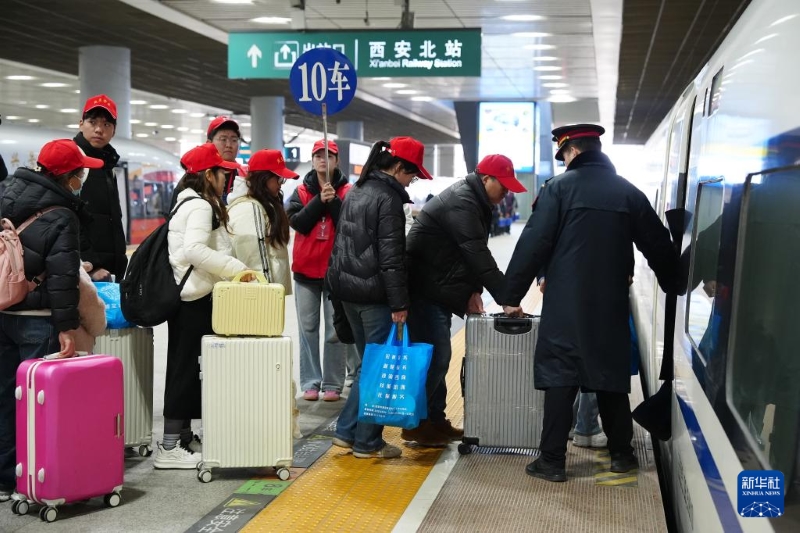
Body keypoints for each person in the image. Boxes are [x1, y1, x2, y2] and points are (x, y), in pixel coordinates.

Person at [501, 124, 681, 482]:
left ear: (572, 151)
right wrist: (674, 280)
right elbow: (658, 244)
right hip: (610, 304)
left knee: (559, 377)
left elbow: (534, 243)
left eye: (564, 155)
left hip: (566, 305)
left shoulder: (558, 190)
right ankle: (622, 455)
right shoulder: (627, 192)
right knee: (610, 376)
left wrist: (510, 296)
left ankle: (551, 461)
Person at [0, 139, 103, 501]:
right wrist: (65, 327)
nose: (82, 178)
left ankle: (4, 477)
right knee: (37, 402)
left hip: (2, 309)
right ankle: (35, 478)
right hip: (37, 317)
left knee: (4, 397)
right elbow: (62, 279)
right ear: (68, 176)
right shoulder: (61, 214)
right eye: (81, 172)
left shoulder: (4, 192)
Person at [404, 154, 527, 447]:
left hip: (439, 288)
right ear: (486, 179)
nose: (507, 192)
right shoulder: (463, 200)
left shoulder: (476, 200)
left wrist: (474, 291)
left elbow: (467, 251)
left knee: (436, 357)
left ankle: (435, 420)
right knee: (435, 358)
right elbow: (476, 253)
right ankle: (415, 424)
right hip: (424, 289)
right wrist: (506, 298)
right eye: (504, 186)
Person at [326, 136, 433, 459]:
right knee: (377, 368)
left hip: (347, 292)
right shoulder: (387, 199)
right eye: (411, 175)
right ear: (398, 167)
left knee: (366, 366)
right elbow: (391, 257)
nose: (411, 182)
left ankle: (347, 434)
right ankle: (366, 441)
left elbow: (341, 245)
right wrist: (400, 304)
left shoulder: (357, 190)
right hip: (373, 297)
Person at [155, 143, 251, 470]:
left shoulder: (192, 202)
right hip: (193, 299)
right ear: (208, 174)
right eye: (223, 172)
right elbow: (195, 250)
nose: (228, 177)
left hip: (192, 297)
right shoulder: (200, 206)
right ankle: (169, 447)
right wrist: (235, 268)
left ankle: (181, 437)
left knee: (188, 369)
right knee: (184, 371)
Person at [286, 140, 355, 403]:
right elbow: (298, 223)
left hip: (335, 273)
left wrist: (333, 201)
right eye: (318, 155)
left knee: (334, 331)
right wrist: (319, 201)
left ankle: (333, 384)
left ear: (337, 161)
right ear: (313, 160)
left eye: (329, 155)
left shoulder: (348, 191)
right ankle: (311, 381)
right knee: (308, 329)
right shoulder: (301, 191)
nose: (323, 159)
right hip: (305, 273)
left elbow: (348, 225)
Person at [74, 95, 128, 282]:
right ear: (81, 124)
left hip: (109, 271)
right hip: (86, 272)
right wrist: (91, 265)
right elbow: (67, 218)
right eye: (92, 122)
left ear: (113, 131)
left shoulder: (107, 164)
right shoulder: (73, 161)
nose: (99, 129)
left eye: (106, 124)